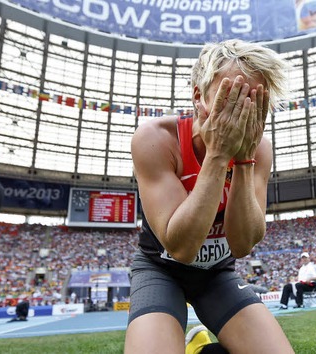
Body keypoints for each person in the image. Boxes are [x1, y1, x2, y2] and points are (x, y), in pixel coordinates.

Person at [126, 39, 294, 354]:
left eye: (253, 100)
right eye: (230, 96)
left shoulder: (261, 147)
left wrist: (244, 159)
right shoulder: (155, 139)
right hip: (160, 268)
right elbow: (181, 248)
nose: (242, 110)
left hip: (216, 272)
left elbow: (243, 244)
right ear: (199, 96)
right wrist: (218, 155)